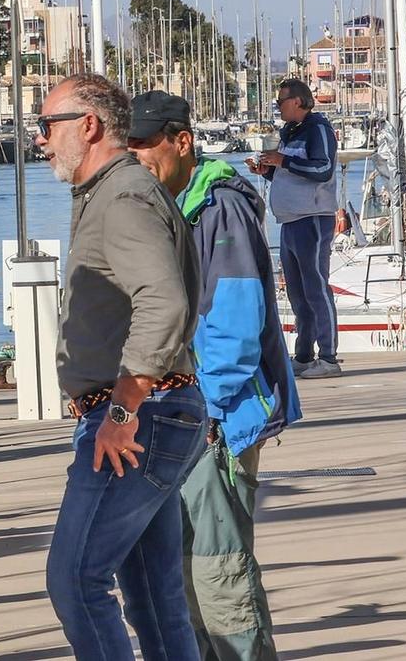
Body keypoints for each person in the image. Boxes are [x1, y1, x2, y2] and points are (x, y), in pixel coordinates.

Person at [127, 90, 299, 661]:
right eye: (130, 146)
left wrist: (210, 409)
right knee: (183, 572)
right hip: (178, 414)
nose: (138, 156)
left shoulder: (217, 206)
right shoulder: (167, 204)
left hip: (214, 416)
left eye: (148, 146)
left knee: (219, 570)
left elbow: (236, 320)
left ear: (182, 142)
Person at [40, 72, 206, 660]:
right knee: (154, 600)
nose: (39, 141)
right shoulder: (113, 191)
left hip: (141, 417)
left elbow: (164, 300)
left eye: (46, 126)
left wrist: (122, 407)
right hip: (153, 412)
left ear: (88, 126)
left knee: (76, 580)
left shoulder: (123, 196)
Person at [249, 79, 341, 378]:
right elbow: (289, 175)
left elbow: (322, 169)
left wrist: (283, 161)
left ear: (299, 101)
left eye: (282, 101)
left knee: (316, 287)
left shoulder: (318, 129)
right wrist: (268, 171)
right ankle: (303, 355)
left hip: (312, 218)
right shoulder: (290, 132)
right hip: (290, 221)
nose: (278, 106)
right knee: (297, 293)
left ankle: (328, 358)